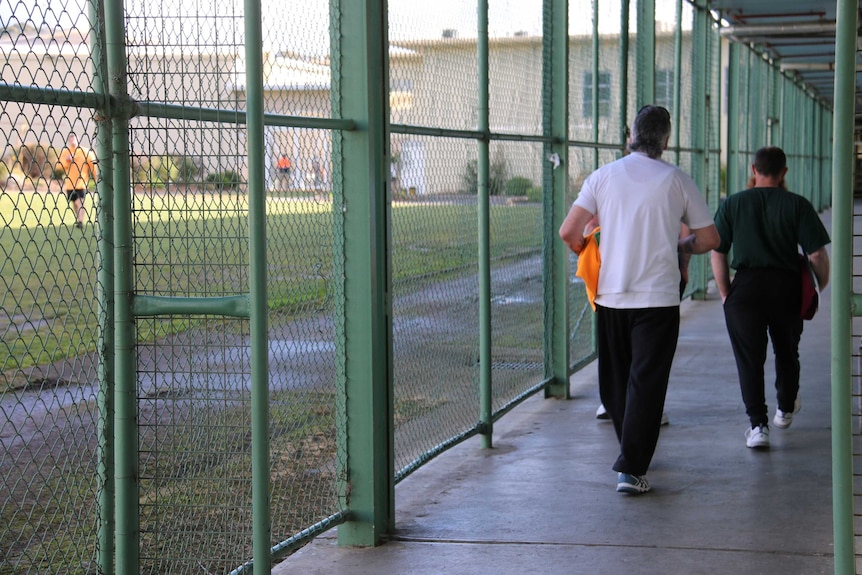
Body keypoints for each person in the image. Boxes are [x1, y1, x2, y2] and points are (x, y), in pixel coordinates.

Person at [559, 105, 720, 495]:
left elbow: (569, 231)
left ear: (629, 136)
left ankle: (630, 451)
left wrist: (586, 247)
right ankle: (631, 467)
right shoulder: (677, 180)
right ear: (666, 141)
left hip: (611, 295)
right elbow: (710, 239)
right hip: (658, 298)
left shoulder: (602, 177)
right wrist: (683, 244)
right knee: (647, 381)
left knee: (615, 381)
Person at [710, 146, 830, 450]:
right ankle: (785, 408)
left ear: (753, 170)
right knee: (787, 349)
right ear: (784, 172)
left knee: (749, 359)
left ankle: (758, 426)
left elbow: (718, 251)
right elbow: (815, 253)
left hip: (746, 289)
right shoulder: (797, 204)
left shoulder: (733, 204)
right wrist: (820, 285)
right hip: (786, 287)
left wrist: (726, 293)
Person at [57, 134, 97, 228]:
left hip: (81, 183)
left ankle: (80, 221)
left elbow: (93, 165)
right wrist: (67, 160)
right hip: (70, 184)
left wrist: (96, 178)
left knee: (80, 202)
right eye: (71, 140)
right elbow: (58, 166)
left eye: (74, 139)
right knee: (74, 203)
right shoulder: (65, 152)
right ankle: (78, 218)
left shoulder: (85, 152)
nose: (73, 142)